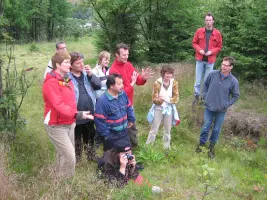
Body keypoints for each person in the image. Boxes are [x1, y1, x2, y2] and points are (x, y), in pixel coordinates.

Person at [43, 51, 94, 179]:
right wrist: (78, 114)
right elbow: (58, 105)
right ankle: (67, 183)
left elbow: (71, 101)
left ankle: (59, 181)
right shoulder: (51, 82)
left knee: (62, 155)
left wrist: (74, 117)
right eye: (66, 62)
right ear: (57, 65)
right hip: (56, 125)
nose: (69, 65)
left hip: (69, 123)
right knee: (70, 156)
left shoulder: (67, 79)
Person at [109, 43, 153, 147]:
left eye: (127, 54)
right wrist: (132, 83)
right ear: (117, 55)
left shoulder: (128, 65)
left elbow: (138, 80)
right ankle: (121, 149)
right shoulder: (113, 70)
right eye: (123, 55)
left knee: (132, 125)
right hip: (118, 104)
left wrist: (143, 78)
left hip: (129, 103)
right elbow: (121, 92)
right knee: (121, 127)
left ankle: (134, 146)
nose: (126, 57)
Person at [196, 56, 240, 159]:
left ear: (231, 67)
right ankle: (201, 145)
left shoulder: (233, 81)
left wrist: (226, 104)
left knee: (216, 129)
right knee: (206, 127)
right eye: (222, 64)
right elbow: (205, 84)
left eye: (226, 65)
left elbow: (236, 95)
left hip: (221, 110)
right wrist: (205, 95)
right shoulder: (212, 74)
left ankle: (211, 149)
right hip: (209, 107)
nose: (223, 67)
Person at [68, 52, 101, 162]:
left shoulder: (87, 74)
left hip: (90, 112)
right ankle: (77, 159)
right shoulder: (67, 77)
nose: (82, 64)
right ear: (71, 65)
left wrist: (91, 74)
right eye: (78, 63)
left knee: (91, 135)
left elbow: (98, 85)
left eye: (82, 61)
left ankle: (91, 155)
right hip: (76, 114)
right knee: (77, 137)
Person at [94, 74, 135, 151]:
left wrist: (131, 119)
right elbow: (99, 121)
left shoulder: (123, 95)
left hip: (124, 132)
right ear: (111, 86)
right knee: (111, 158)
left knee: (126, 155)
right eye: (119, 84)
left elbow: (129, 107)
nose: (122, 86)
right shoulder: (102, 101)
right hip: (111, 134)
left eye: (122, 83)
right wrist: (106, 135)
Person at [146, 66, 180, 149]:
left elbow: (176, 98)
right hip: (158, 108)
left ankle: (166, 148)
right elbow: (154, 99)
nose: (168, 76)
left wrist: (165, 98)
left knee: (167, 130)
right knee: (154, 128)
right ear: (163, 74)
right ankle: (148, 147)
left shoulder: (174, 83)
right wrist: (163, 100)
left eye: (170, 74)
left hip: (169, 109)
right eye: (167, 73)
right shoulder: (157, 83)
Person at [192, 12, 222, 104]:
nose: (208, 22)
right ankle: (196, 97)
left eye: (210, 20)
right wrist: (199, 50)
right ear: (205, 21)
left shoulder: (217, 33)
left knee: (207, 80)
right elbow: (194, 43)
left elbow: (219, 47)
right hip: (200, 60)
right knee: (198, 81)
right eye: (207, 20)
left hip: (210, 61)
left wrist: (211, 51)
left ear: (213, 21)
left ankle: (205, 97)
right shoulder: (199, 31)